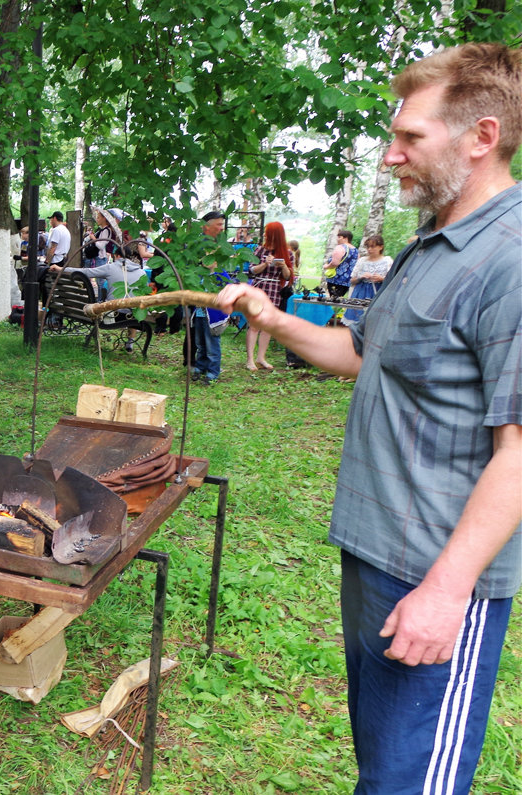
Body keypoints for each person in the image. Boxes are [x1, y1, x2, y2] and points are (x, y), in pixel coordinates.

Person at [216, 43, 521, 794]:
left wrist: (447, 591)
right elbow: (361, 351)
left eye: (410, 137)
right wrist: (270, 316)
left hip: (436, 571)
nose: (391, 156)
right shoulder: (435, 241)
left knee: (409, 781)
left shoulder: (511, 258)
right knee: (381, 767)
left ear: (481, 136)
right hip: (379, 554)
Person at [244, 220, 293, 371]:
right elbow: (252, 271)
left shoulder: (287, 253)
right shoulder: (260, 250)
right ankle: (250, 360)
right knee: (254, 325)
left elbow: (287, 276)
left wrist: (284, 265)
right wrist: (265, 264)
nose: (265, 234)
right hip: (260, 288)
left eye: (268, 232)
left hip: (274, 290)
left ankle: (261, 357)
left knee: (267, 326)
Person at [190, 210, 228, 385]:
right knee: (200, 341)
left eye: (222, 224)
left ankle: (213, 372)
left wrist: (214, 269)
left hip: (212, 306)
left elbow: (226, 278)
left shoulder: (222, 248)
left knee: (212, 341)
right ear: (207, 225)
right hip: (198, 306)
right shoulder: (196, 245)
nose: (221, 228)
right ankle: (200, 367)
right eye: (218, 224)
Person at [341, 235, 392, 327]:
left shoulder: (387, 261)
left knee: (374, 323)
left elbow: (393, 281)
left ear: (381, 247)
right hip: (360, 294)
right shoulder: (362, 261)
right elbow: (352, 281)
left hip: (378, 293)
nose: (369, 249)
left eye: (373, 246)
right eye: (368, 247)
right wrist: (361, 277)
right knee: (356, 322)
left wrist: (382, 278)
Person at [326, 228, 359, 297]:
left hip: (335, 279)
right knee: (340, 298)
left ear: (346, 238)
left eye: (339, 237)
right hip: (347, 281)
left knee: (333, 298)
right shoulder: (356, 251)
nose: (337, 239)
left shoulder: (340, 247)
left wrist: (326, 266)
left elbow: (335, 263)